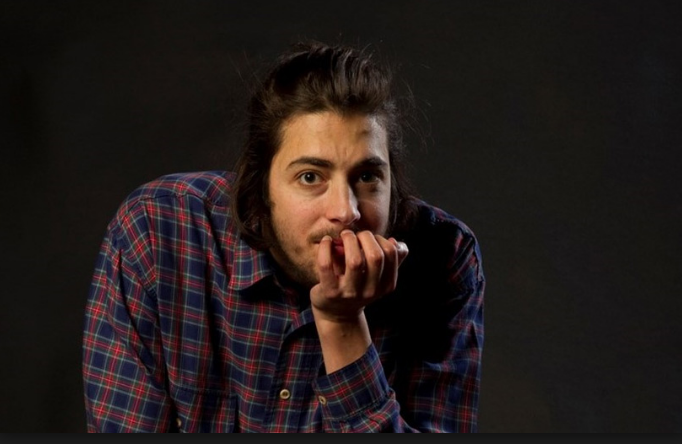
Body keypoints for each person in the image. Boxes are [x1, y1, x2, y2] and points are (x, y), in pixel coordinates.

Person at [82, 41, 485, 433]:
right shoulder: (159, 230)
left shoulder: (446, 257)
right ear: (259, 187)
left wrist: (342, 325)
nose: (346, 211)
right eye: (310, 177)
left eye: (367, 177)